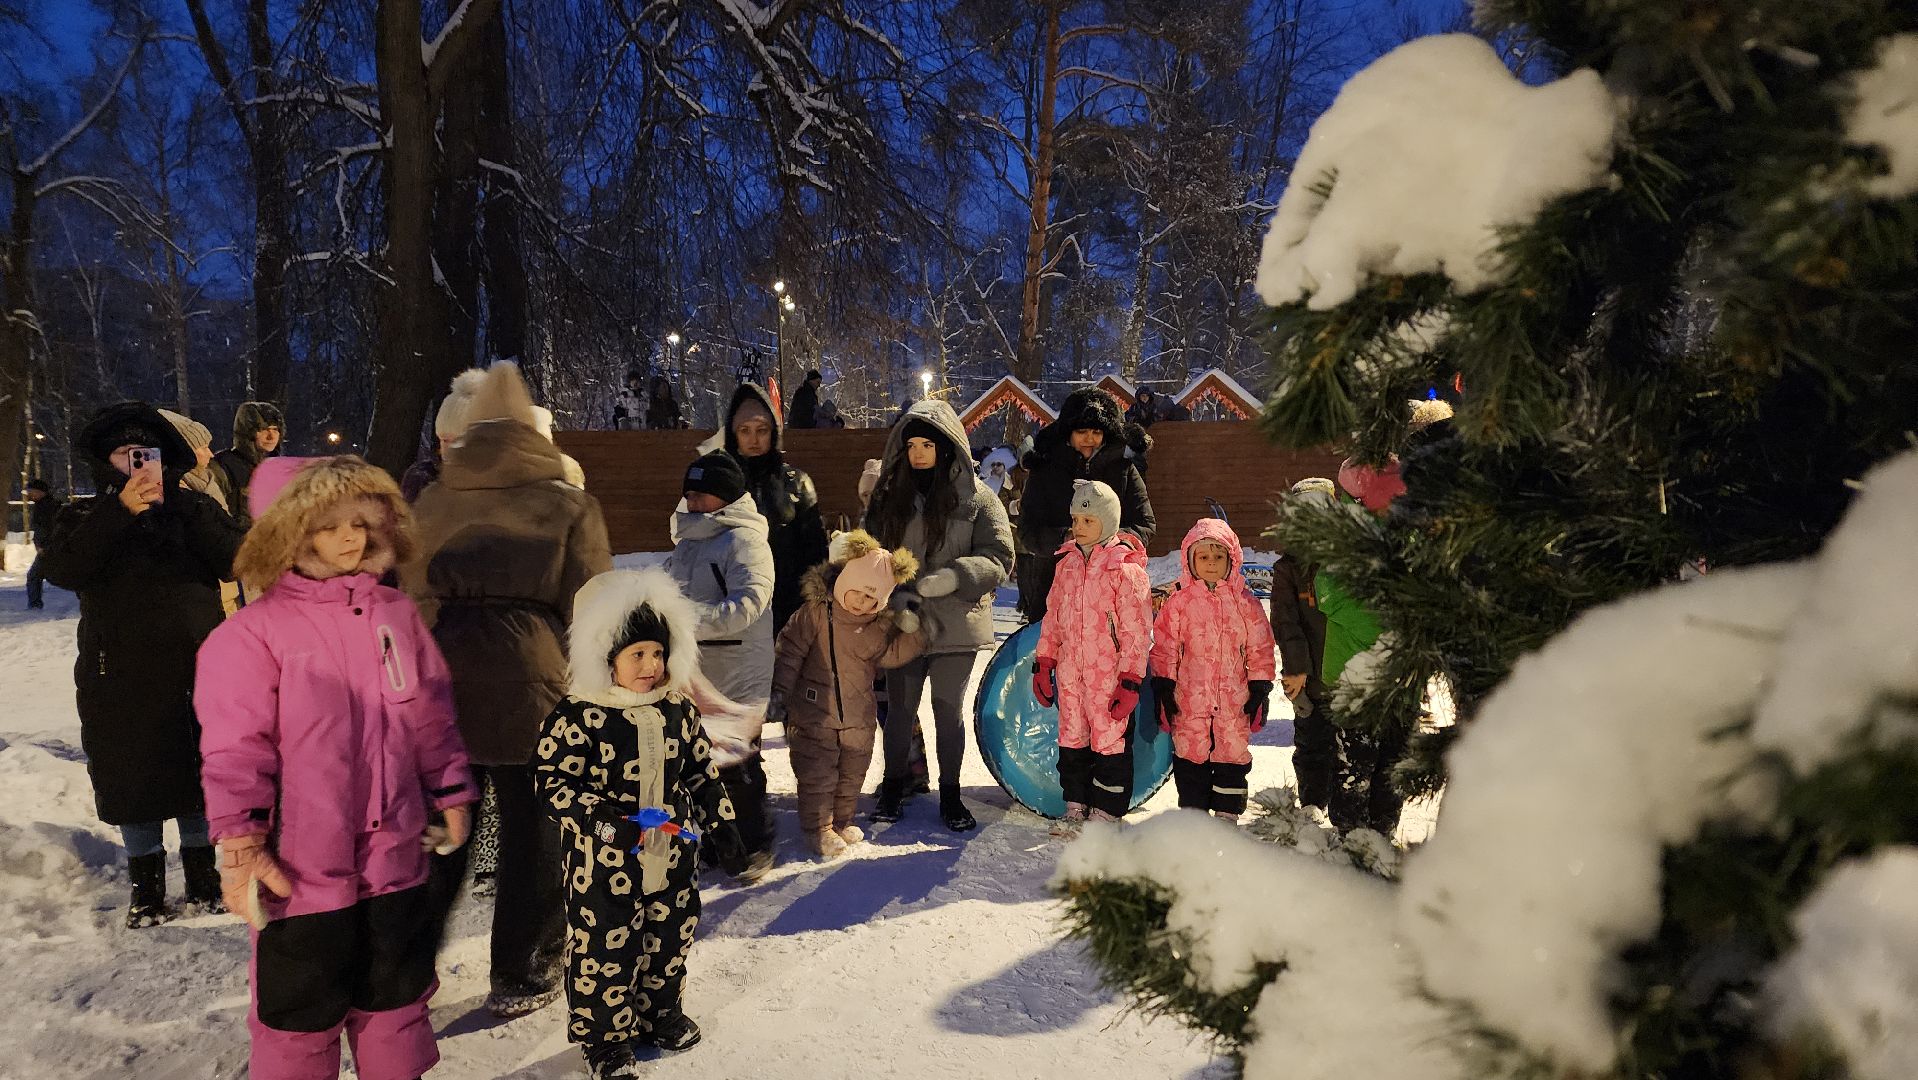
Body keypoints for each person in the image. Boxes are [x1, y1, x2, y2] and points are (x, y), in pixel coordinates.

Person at [196, 455, 475, 1080]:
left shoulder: (395, 617)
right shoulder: (252, 635)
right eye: (327, 527)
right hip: (301, 869)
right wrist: (241, 843)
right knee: (300, 1016)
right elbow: (237, 749)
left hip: (395, 855)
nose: (349, 539)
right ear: (289, 533)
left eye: (359, 522)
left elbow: (430, 713)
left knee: (395, 1001)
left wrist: (451, 787)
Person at [401, 361, 613, 1018]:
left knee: (445, 823)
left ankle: (407, 968)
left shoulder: (434, 498)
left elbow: (410, 593)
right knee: (536, 827)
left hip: (445, 681)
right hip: (534, 680)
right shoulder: (568, 501)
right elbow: (593, 601)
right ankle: (524, 970)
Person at [39, 401, 247, 925]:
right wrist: (119, 512)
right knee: (133, 778)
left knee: (199, 771)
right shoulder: (84, 514)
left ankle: (204, 882)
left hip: (197, 667)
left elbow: (235, 559)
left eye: (147, 453)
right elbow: (65, 568)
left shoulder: (191, 508)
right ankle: (147, 890)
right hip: (119, 675)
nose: (138, 464)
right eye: (125, 454)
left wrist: (179, 504)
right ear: (105, 462)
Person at [537, 568, 746, 1078]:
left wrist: (723, 826)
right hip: (603, 862)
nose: (651, 666)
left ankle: (659, 1011)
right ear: (604, 657)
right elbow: (552, 783)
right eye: (637, 655)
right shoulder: (580, 715)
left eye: (658, 653)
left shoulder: (676, 708)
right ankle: (605, 1039)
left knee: (669, 935)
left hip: (672, 853)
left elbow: (699, 769)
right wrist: (607, 824)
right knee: (604, 947)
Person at [862, 399, 1013, 831]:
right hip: (903, 623)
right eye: (911, 445)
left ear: (947, 447)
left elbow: (1000, 556)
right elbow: (868, 554)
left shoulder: (979, 500)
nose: (919, 453)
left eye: (928, 444)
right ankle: (893, 785)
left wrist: (955, 577)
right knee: (899, 713)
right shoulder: (890, 498)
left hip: (955, 623)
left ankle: (951, 793)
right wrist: (891, 598)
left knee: (948, 711)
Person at [771, 530, 925, 859]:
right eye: (858, 592)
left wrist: (916, 632)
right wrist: (779, 693)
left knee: (851, 773)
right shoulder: (814, 614)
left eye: (873, 599)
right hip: (814, 713)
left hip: (858, 715)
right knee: (817, 774)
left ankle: (842, 821)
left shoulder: (878, 626)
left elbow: (892, 655)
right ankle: (819, 829)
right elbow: (789, 653)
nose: (862, 602)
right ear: (844, 581)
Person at [665, 450, 777, 879]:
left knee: (739, 761)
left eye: (702, 495)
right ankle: (719, 840)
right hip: (699, 672)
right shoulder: (689, 542)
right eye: (689, 495)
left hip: (738, 669)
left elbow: (748, 604)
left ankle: (755, 843)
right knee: (703, 760)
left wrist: (685, 621)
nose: (693, 503)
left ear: (726, 497)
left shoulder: (744, 540)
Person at [1032, 481, 1151, 835]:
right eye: (1076, 519)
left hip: (1108, 677)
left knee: (1110, 742)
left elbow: (1135, 631)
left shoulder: (1125, 571)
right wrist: (1045, 662)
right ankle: (1076, 805)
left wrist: (1130, 679)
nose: (1079, 527)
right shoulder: (1067, 565)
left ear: (1108, 522)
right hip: (1071, 675)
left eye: (1088, 520)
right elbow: (1053, 617)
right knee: (1072, 739)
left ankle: (1107, 811)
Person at [1150, 518, 1277, 820]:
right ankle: (1194, 819)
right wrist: (1164, 684)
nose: (1211, 563)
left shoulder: (1245, 603)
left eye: (1218, 556)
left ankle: (1227, 816)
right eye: (1203, 557)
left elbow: (1260, 647)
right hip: (1189, 700)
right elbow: (1165, 645)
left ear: (1231, 559)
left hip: (1234, 701)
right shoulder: (1178, 602)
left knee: (1232, 756)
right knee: (1190, 756)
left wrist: (1260, 685)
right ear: (1190, 560)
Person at [1018, 388, 1154, 622]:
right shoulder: (1044, 471)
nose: (1089, 438)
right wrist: (1065, 537)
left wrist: (1109, 542)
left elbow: (1145, 524)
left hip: (1110, 591)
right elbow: (1028, 531)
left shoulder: (1123, 469)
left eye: (1096, 432)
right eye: (1081, 431)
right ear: (1068, 433)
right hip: (1054, 587)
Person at [716, 383, 829, 634]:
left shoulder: (796, 483)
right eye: (745, 430)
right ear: (733, 434)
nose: (753, 439)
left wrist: (810, 605)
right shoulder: (718, 485)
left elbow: (816, 552)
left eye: (761, 430)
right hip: (734, 612)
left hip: (789, 611)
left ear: (773, 433)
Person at [1270, 478, 1337, 821]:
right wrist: (1296, 669)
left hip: (1345, 676)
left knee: (1344, 751)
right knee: (1311, 742)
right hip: (1308, 677)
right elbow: (1286, 624)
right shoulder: (1288, 569)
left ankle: (1343, 814)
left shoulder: (1346, 563)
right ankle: (1312, 807)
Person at [211, 401, 284, 526]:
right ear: (246, 432)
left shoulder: (277, 468)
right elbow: (214, 517)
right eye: (264, 429)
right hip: (240, 542)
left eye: (275, 429)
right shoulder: (223, 466)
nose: (271, 436)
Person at [159, 409, 231, 515]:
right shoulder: (174, 489)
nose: (211, 454)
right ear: (186, 451)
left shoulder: (206, 477)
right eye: (204, 448)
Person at [22, 477, 63, 609]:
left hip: (49, 548)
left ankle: (34, 605)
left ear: (40, 492)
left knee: (34, 576)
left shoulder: (48, 507)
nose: (29, 494)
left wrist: (44, 545)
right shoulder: (43, 505)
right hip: (47, 547)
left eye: (31, 491)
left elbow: (49, 528)